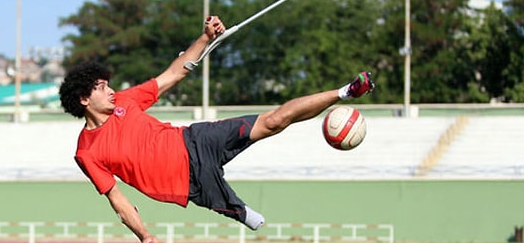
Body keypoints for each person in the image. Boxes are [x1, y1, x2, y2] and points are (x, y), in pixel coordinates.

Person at [58, 16, 375, 243]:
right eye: (102, 88)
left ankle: (345, 91)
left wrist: (205, 38)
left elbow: (172, 75)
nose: (111, 90)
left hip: (195, 139)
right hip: (189, 183)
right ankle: (236, 209)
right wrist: (145, 236)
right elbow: (118, 199)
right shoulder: (87, 152)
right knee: (248, 218)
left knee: (273, 120)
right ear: (84, 99)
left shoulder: (126, 100)